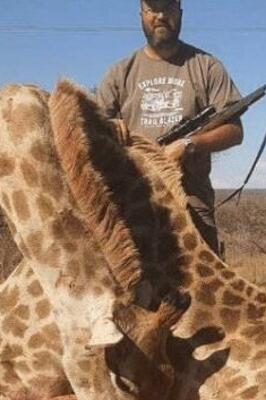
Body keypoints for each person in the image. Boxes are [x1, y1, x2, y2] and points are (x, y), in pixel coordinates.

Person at [97, 0, 243, 254]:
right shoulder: (119, 73)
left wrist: (189, 145)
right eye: (153, 9)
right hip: (132, 199)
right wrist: (108, 127)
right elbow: (90, 134)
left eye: (168, 8)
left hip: (190, 199)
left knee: (205, 285)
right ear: (142, 14)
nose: (161, 16)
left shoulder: (207, 66)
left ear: (180, 13)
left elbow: (234, 130)